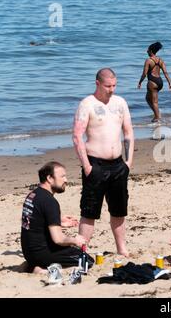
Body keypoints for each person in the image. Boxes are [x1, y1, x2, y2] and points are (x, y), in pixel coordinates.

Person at [72, 68, 134, 257]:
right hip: (95, 164)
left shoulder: (120, 103)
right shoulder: (87, 104)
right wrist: (87, 166)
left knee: (119, 210)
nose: (111, 89)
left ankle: (121, 249)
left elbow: (128, 132)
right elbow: (77, 136)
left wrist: (128, 162)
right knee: (89, 211)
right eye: (108, 86)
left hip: (118, 165)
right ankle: (82, 251)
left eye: (114, 85)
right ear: (98, 83)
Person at [21, 162, 93, 274]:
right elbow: (58, 239)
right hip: (41, 253)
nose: (66, 180)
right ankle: (40, 270)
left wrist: (57, 220)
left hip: (28, 252)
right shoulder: (50, 202)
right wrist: (75, 240)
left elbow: (34, 220)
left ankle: (33, 265)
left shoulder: (33, 195)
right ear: (49, 178)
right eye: (62, 176)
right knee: (87, 260)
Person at [138, 42, 171, 123]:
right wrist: (170, 83)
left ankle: (157, 118)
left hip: (152, 82)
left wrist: (140, 82)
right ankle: (156, 114)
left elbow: (144, 74)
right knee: (147, 99)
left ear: (151, 51)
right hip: (160, 81)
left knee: (154, 102)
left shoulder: (148, 61)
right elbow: (165, 72)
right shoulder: (160, 60)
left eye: (147, 50)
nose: (146, 51)